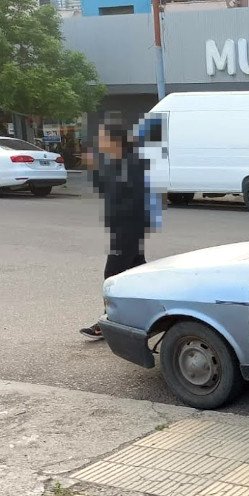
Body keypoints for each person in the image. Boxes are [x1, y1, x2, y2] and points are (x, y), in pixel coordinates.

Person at [80, 112, 156, 339]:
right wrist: (93, 169)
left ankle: (108, 323)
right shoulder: (116, 163)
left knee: (112, 275)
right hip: (121, 229)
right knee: (137, 274)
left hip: (129, 229)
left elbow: (135, 200)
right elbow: (105, 190)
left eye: (102, 138)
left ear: (114, 141)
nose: (99, 143)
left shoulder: (133, 164)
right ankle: (152, 314)